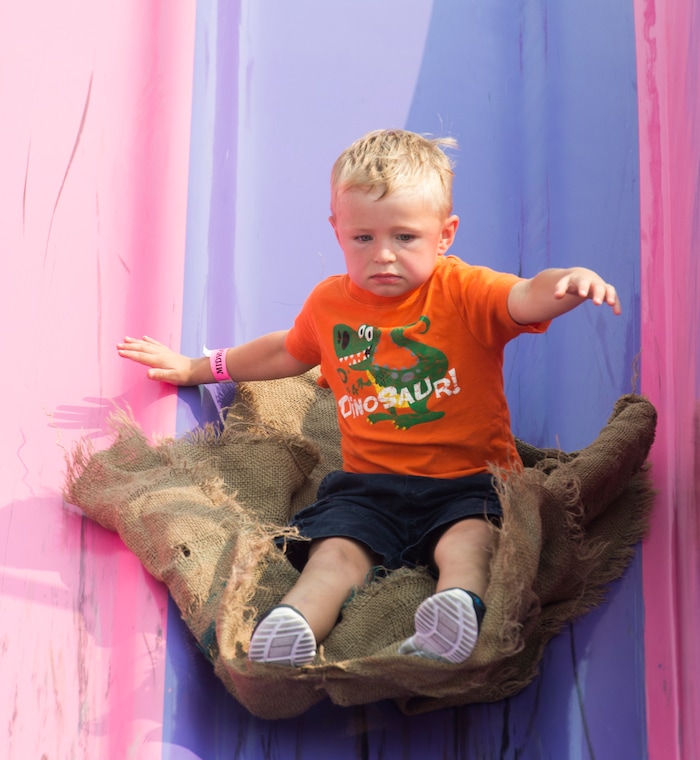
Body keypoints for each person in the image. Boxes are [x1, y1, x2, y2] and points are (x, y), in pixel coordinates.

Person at [117, 129, 620, 668]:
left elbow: (523, 296)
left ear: (444, 234)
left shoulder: (463, 291)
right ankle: (294, 626)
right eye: (363, 239)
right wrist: (201, 367)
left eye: (405, 237)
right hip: (367, 488)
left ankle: (453, 612)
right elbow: (287, 352)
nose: (383, 255)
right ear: (338, 231)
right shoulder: (331, 303)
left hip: (468, 481)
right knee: (333, 554)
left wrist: (568, 281)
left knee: (471, 542)